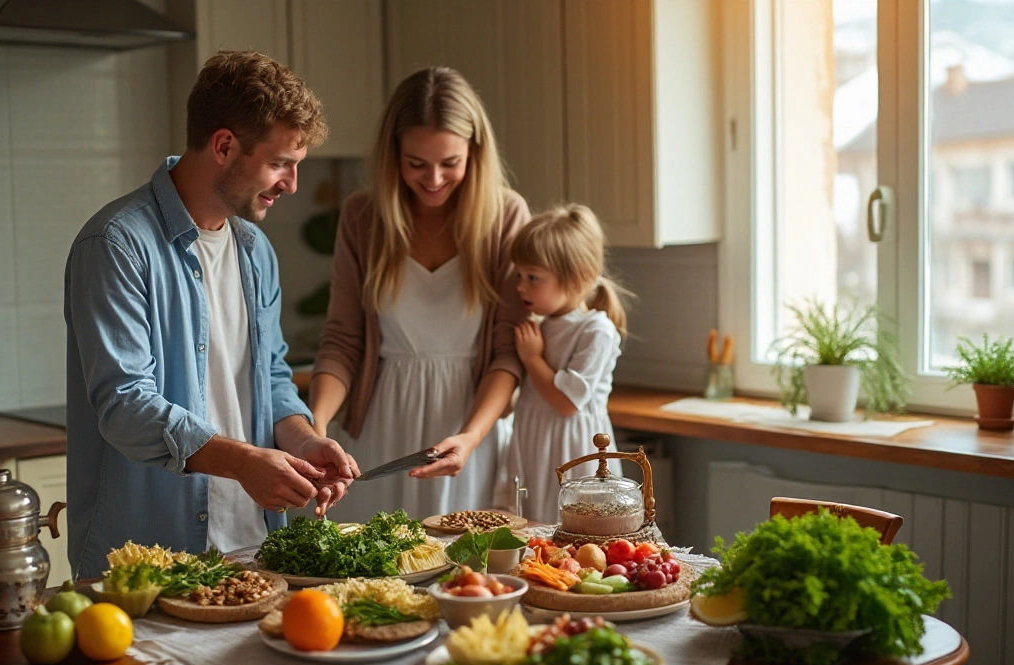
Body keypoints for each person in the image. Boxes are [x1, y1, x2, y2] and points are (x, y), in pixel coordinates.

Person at [64, 51, 357, 579]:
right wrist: (244, 463)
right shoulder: (116, 244)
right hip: (147, 562)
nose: (291, 183)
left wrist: (305, 440)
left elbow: (269, 377)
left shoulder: (255, 250)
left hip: (252, 548)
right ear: (224, 146)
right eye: (280, 163)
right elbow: (125, 405)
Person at [310, 67, 530, 522]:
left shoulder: (506, 215)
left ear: (475, 151)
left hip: (470, 432)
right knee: (379, 575)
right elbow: (342, 342)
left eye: (450, 163)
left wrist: (469, 438)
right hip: (381, 427)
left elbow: (508, 354)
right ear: (394, 156)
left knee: (468, 577)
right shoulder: (362, 217)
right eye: (416, 163)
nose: (433, 178)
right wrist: (315, 427)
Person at [504, 204, 633, 523]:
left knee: (576, 526)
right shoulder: (540, 325)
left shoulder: (596, 330)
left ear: (577, 278)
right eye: (519, 275)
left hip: (574, 449)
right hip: (535, 442)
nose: (521, 286)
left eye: (532, 277)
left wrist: (532, 358)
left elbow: (566, 402)